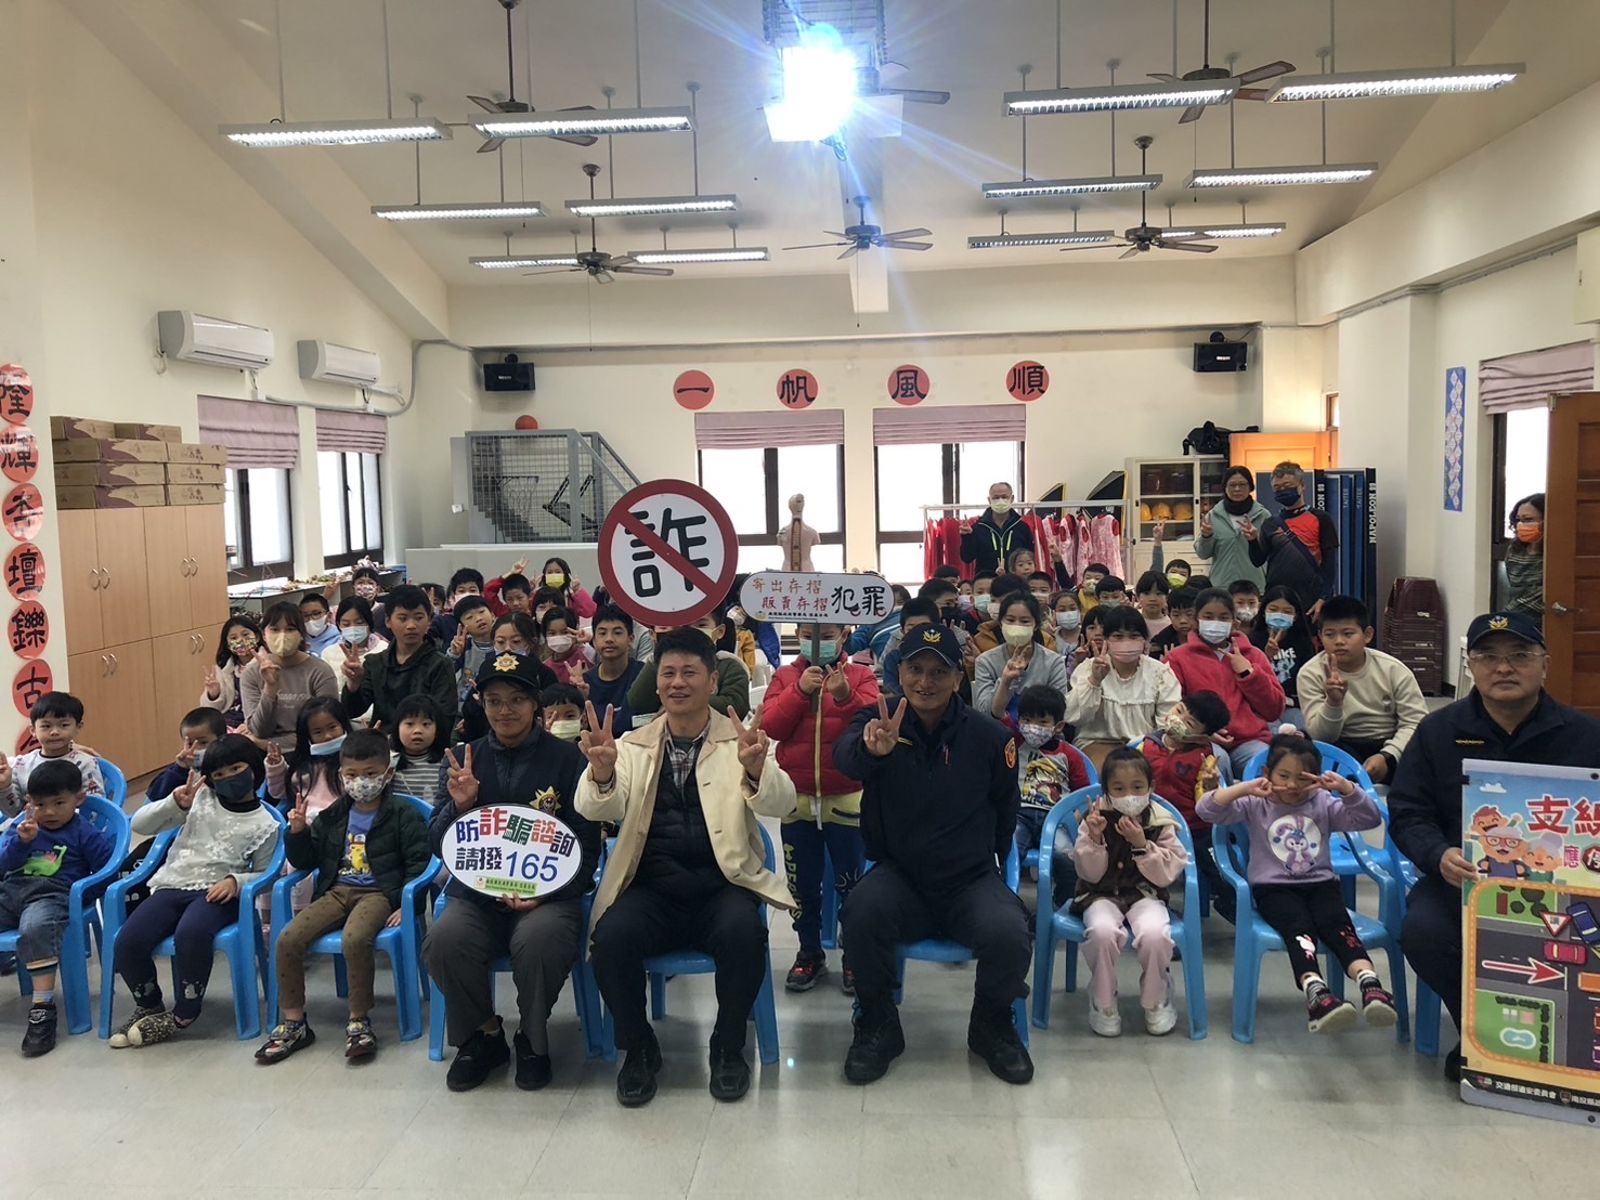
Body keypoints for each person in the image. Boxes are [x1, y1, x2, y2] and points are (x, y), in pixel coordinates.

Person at [578, 628, 798, 1106]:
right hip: (651, 889)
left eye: (690, 673)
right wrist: (602, 772)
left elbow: (783, 804)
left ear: (713, 680)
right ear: (657, 682)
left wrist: (757, 769)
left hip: (721, 885)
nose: (677, 683)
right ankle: (639, 1047)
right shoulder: (632, 745)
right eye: (668, 673)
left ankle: (727, 1046)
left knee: (744, 934)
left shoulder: (741, 739)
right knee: (610, 940)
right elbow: (597, 809)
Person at [1389, 611, 1600, 1080]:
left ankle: (1576, 1041)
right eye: (1488, 657)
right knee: (1423, 932)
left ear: (1544, 664)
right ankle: (1482, 1037)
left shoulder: (1586, 737)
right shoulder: (1438, 732)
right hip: (1465, 884)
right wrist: (1438, 855)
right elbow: (1407, 812)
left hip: (1570, 889)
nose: (1503, 668)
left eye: (1519, 656)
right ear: (1471, 666)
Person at [834, 624, 1033, 1086]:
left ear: (958, 678)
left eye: (938, 672)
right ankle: (878, 1024)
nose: (925, 682)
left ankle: (991, 1024)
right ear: (899, 672)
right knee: (860, 914)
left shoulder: (988, 737)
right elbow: (845, 761)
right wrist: (872, 752)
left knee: (1009, 931)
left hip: (969, 878)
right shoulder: (877, 720)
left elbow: (1006, 811)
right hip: (899, 875)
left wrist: (992, 866)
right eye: (915, 669)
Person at [425, 653, 603, 1092]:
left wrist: (547, 893)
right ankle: (483, 1035)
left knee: (539, 940)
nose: (504, 711)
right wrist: (461, 806)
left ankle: (532, 1039)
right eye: (494, 701)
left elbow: (587, 844)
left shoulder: (568, 760)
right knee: (445, 940)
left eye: (517, 700)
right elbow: (438, 841)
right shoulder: (465, 759)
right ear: (482, 704)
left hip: (548, 894)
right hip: (477, 893)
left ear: (535, 704)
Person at [1198, 735, 1398, 1034]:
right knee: (1298, 928)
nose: (1292, 785)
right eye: (1284, 776)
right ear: (1267, 774)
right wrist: (1245, 787)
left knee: (1339, 926)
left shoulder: (1324, 803)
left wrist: (1346, 789)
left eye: (1303, 778)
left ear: (1316, 779)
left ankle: (1371, 985)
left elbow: (1368, 819)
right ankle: (1316, 993)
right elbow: (1207, 810)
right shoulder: (1255, 803)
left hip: (1322, 885)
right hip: (1273, 889)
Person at [256, 730, 431, 1063]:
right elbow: (307, 861)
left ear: (387, 773)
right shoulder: (333, 815)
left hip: (378, 894)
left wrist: (405, 904)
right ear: (341, 775)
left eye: (370, 773)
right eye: (352, 774)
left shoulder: (402, 815)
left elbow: (418, 863)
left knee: (356, 938)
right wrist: (297, 833)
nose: (360, 782)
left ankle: (359, 1020)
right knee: (288, 938)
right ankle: (294, 1022)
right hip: (336, 891)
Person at [109, 735, 280, 1048]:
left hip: (218, 894)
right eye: (219, 774)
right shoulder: (200, 799)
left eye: (236, 768)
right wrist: (174, 803)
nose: (229, 777)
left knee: (191, 933)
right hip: (173, 885)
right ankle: (149, 1005)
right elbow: (140, 825)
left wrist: (236, 881)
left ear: (253, 767)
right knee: (129, 940)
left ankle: (184, 1014)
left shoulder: (265, 823)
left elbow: (267, 874)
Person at [760, 622, 879, 993]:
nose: (818, 642)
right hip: (796, 799)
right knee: (802, 886)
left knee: (852, 885)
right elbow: (771, 726)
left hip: (847, 797)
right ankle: (809, 951)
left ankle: (854, 954)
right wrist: (799, 691)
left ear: (844, 636)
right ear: (798, 633)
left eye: (827, 636)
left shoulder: (860, 675)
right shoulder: (785, 677)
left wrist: (845, 697)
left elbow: (873, 725)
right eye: (810, 635)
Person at [0, 761, 115, 1055]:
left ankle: (42, 1008)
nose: (49, 812)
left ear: (78, 799)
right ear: (29, 802)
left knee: (35, 928)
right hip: (11, 891)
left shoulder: (84, 832)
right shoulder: (23, 826)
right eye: (40, 804)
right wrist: (20, 843)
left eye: (58, 803)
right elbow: (3, 864)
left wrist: (82, 897)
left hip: (51, 895)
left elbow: (108, 869)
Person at [1073, 748, 1187, 1038]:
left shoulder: (1160, 822)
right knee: (1101, 932)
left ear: (1151, 787)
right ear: (1106, 790)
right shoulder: (1094, 818)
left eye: (1137, 787)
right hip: (1100, 894)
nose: (1129, 796)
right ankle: (1103, 998)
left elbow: (1168, 873)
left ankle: (1157, 996)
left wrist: (1142, 845)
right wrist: (1095, 839)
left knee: (1155, 934)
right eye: (1119, 789)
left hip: (1145, 894)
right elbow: (1089, 874)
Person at [1296, 595, 1428, 785]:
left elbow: (1415, 722)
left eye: (1348, 634)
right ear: (1320, 637)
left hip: (1388, 743)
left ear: (1367, 635)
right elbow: (1321, 736)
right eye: (1330, 634)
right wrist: (1333, 703)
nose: (1339, 641)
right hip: (1339, 745)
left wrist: (1389, 756)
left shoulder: (1393, 669)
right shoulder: (1310, 673)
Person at [1164, 588, 1287, 776]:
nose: (1215, 622)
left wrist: (1248, 674)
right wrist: (1201, 733)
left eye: (1223, 618)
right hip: (1199, 740)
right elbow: (1170, 709)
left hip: (1249, 740)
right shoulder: (1177, 658)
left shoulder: (1254, 655)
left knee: (1261, 762)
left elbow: (1274, 710)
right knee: (1215, 762)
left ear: (1234, 622)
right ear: (1196, 620)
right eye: (1208, 617)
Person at [1134, 691, 1234, 921]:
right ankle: (1150, 908)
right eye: (1179, 711)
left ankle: (1228, 903)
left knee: (1213, 865)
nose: (1178, 720)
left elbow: (1205, 804)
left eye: (1189, 723)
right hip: (1150, 824)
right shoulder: (1146, 746)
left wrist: (1210, 785)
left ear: (1203, 735)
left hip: (1191, 829)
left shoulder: (1205, 759)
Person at [1065, 608, 1181, 772]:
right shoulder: (1089, 668)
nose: (1126, 642)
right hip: (1097, 742)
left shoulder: (1161, 673)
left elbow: (1167, 723)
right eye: (1118, 636)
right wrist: (1095, 681)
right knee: (1112, 771)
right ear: (1106, 640)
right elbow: (1074, 716)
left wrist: (1146, 745)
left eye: (1134, 636)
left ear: (1145, 640)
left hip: (1147, 744)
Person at [1009, 685, 1092, 900]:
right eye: (1027, 720)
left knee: (1066, 855)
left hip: (1055, 819)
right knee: (1009, 848)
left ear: (1058, 726)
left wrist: (1075, 815)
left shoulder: (1069, 755)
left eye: (1042, 722)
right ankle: (1006, 899)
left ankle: (1064, 902)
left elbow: (1084, 792)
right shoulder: (1016, 743)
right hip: (1020, 814)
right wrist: (1007, 681)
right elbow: (998, 713)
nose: (1033, 727)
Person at [340, 584, 458, 732]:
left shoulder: (440, 664)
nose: (411, 625)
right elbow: (352, 711)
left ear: (429, 620)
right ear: (388, 621)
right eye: (403, 618)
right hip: (382, 741)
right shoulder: (375, 663)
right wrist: (353, 684)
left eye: (419, 617)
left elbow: (445, 717)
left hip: (423, 740)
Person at [240, 602, 339, 750]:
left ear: (301, 634)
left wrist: (266, 744)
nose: (282, 635)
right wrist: (270, 688)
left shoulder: (320, 671)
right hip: (263, 751)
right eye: (275, 629)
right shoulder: (252, 673)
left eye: (290, 629)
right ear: (264, 635)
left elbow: (327, 730)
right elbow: (259, 730)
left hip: (311, 750)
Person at [628, 606, 752, 721]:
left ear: (719, 631)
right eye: (687, 626)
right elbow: (637, 701)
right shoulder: (659, 663)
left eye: (702, 625)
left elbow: (736, 705)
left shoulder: (728, 664)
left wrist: (682, 703)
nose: (694, 631)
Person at [1247, 462, 1339, 614]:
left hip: (1311, 599)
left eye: (1287, 485)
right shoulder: (1270, 523)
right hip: (1277, 597)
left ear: (1302, 486)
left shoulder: (1321, 518)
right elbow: (1258, 561)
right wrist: (1252, 540)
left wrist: (1323, 597)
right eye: (1277, 487)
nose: (1283, 490)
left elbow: (1330, 562)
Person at [3, 693, 106, 817]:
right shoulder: (22, 765)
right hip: (30, 827)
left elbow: (95, 810)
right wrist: (4, 787)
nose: (54, 732)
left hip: (74, 827)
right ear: (33, 730)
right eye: (46, 726)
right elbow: (14, 812)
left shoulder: (86, 763)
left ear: (78, 727)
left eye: (64, 725)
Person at [974, 593, 1070, 724]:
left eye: (1024, 621)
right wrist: (1006, 681)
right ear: (1000, 623)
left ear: (1036, 625)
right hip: (997, 731)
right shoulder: (985, 661)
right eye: (1010, 620)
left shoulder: (1054, 662)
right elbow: (984, 712)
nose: (1017, 626)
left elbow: (1058, 711)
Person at [266, 697, 355, 821]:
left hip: (343, 823)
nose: (328, 736)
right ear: (308, 737)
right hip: (307, 824)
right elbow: (280, 793)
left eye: (332, 727)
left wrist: (370, 749)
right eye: (318, 732)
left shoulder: (355, 760)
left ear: (344, 726)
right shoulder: (303, 766)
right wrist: (276, 767)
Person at [1248, 586, 1318, 724]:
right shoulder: (1252, 641)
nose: (1279, 615)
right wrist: (1266, 657)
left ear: (1295, 615)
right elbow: (1249, 678)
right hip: (1261, 707)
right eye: (1273, 610)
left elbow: (1309, 676)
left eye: (1287, 611)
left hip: (1293, 706)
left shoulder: (1302, 642)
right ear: (1264, 611)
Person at [1194, 467, 1270, 590]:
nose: (1237, 489)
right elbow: (1203, 554)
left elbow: (1270, 553)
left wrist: (1255, 540)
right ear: (1225, 488)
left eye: (1242, 484)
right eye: (1232, 485)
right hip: (1222, 587)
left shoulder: (1263, 515)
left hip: (1254, 587)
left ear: (1250, 487)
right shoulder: (1213, 516)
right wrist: (1206, 537)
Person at [146, 708, 229, 805]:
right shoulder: (183, 769)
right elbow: (155, 797)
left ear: (222, 739)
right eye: (190, 744)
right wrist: (180, 769)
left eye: (203, 742)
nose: (195, 749)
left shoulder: (231, 764)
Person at [584, 605, 645, 732]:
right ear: (594, 641)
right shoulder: (585, 683)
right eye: (602, 633)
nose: (609, 639)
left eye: (617, 633)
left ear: (631, 639)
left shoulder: (645, 675)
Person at [200, 614, 263, 728]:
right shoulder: (225, 668)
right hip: (228, 722)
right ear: (228, 645)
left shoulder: (266, 664)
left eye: (245, 635)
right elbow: (209, 710)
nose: (240, 640)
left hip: (255, 722)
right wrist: (214, 694)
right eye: (234, 638)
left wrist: (250, 725)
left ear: (257, 637)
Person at [960, 482, 1030, 576]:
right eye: (996, 498)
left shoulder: (1022, 527)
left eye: (1004, 497)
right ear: (989, 500)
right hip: (986, 581)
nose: (1000, 501)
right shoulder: (978, 528)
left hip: (1015, 581)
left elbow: (1030, 558)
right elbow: (967, 558)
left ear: (1012, 498)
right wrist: (967, 537)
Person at [390, 694, 449, 806]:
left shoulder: (445, 764)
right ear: (397, 728)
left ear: (437, 730)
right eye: (410, 724)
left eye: (426, 724)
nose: (417, 730)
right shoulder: (388, 763)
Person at [323, 595, 389, 681]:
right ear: (339, 625)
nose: (353, 628)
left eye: (359, 623)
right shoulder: (328, 653)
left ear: (369, 623)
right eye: (346, 624)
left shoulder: (384, 649)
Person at [1503, 492, 1545, 627]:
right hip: (1514, 616)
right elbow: (1515, 589)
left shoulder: (1557, 554)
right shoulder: (1515, 549)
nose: (1521, 525)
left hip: (1545, 621)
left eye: (1528, 519)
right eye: (1518, 520)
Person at [448, 596, 498, 704]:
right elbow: (445, 673)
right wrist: (454, 655)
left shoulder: (505, 643)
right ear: (462, 627)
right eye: (470, 617)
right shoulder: (463, 646)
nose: (478, 618)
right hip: (465, 705)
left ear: (493, 615)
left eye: (481, 612)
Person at [540, 606, 595, 687]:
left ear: (574, 631)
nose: (558, 637)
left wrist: (591, 640)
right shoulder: (545, 667)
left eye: (565, 632)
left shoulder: (588, 654)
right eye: (552, 633)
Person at [1149, 586, 1197, 663]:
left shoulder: (1208, 639)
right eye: (1176, 615)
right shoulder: (1160, 642)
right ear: (1168, 614)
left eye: (1189, 614)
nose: (1183, 621)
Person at [299, 591, 341, 658]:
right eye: (305, 615)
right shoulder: (299, 639)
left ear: (329, 616)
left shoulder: (339, 639)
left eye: (316, 614)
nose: (310, 619)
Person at [1134, 571, 1171, 638]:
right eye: (1147, 593)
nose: (1152, 599)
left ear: (1167, 597)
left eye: (1158, 593)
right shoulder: (1132, 622)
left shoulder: (1171, 625)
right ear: (1138, 597)